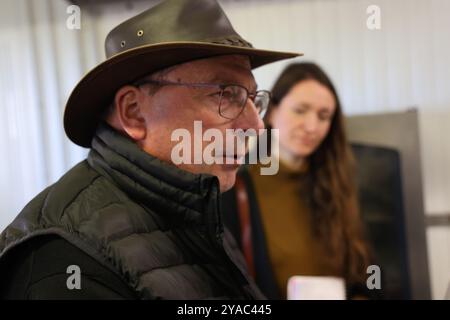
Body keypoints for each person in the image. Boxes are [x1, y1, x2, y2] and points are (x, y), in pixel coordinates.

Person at [0, 0, 299, 299]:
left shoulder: (197, 205)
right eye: (225, 94)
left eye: (250, 97)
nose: (256, 127)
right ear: (133, 112)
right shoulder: (64, 258)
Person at [222, 62, 372, 299]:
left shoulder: (339, 187)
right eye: (300, 110)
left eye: (324, 116)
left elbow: (366, 276)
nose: (312, 126)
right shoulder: (234, 189)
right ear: (271, 112)